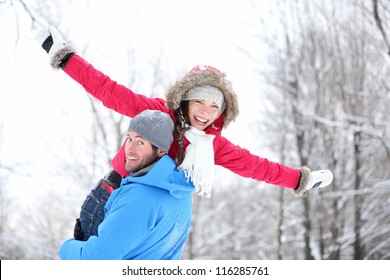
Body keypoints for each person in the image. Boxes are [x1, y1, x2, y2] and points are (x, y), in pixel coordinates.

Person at [38, 26, 333, 240]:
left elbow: (256, 167)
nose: (205, 112)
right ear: (186, 99)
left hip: (150, 213)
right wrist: (66, 59)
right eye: (199, 102)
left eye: (214, 106)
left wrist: (299, 179)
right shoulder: (159, 114)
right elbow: (110, 92)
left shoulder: (213, 146)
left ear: (222, 112)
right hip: (113, 192)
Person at [59, 109, 194, 260]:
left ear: (161, 150)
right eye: (129, 139)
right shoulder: (181, 191)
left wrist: (67, 247)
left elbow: (98, 258)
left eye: (140, 142)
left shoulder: (139, 197)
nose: (129, 149)